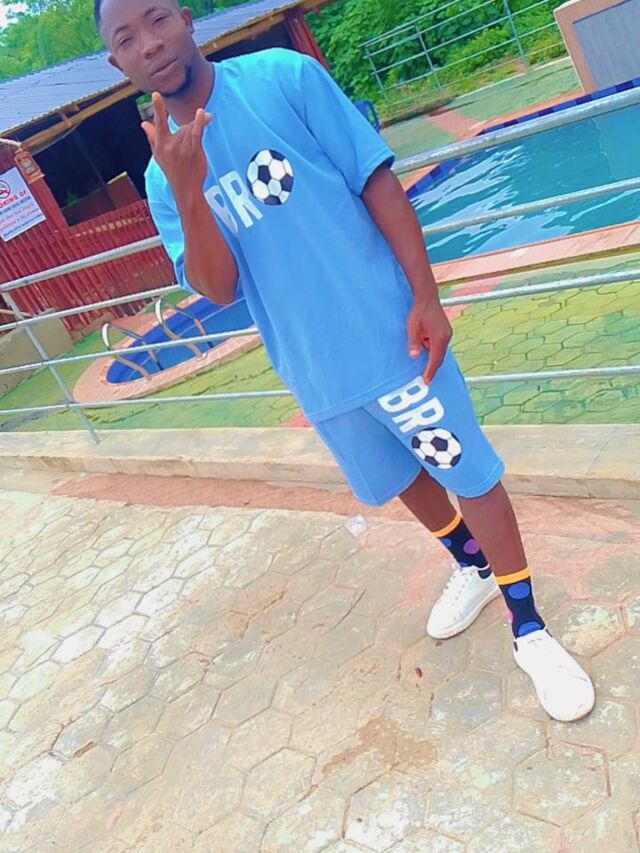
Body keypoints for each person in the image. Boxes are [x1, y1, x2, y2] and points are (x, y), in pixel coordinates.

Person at [96, 0, 595, 722]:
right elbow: (218, 287)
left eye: (157, 19)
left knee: (466, 469)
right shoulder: (161, 179)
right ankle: (472, 565)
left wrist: (425, 295)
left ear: (186, 18)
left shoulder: (283, 79)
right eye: (127, 38)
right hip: (315, 367)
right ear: (116, 62)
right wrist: (188, 190)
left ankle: (529, 627)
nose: (149, 43)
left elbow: (375, 179)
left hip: (390, 339)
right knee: (397, 475)